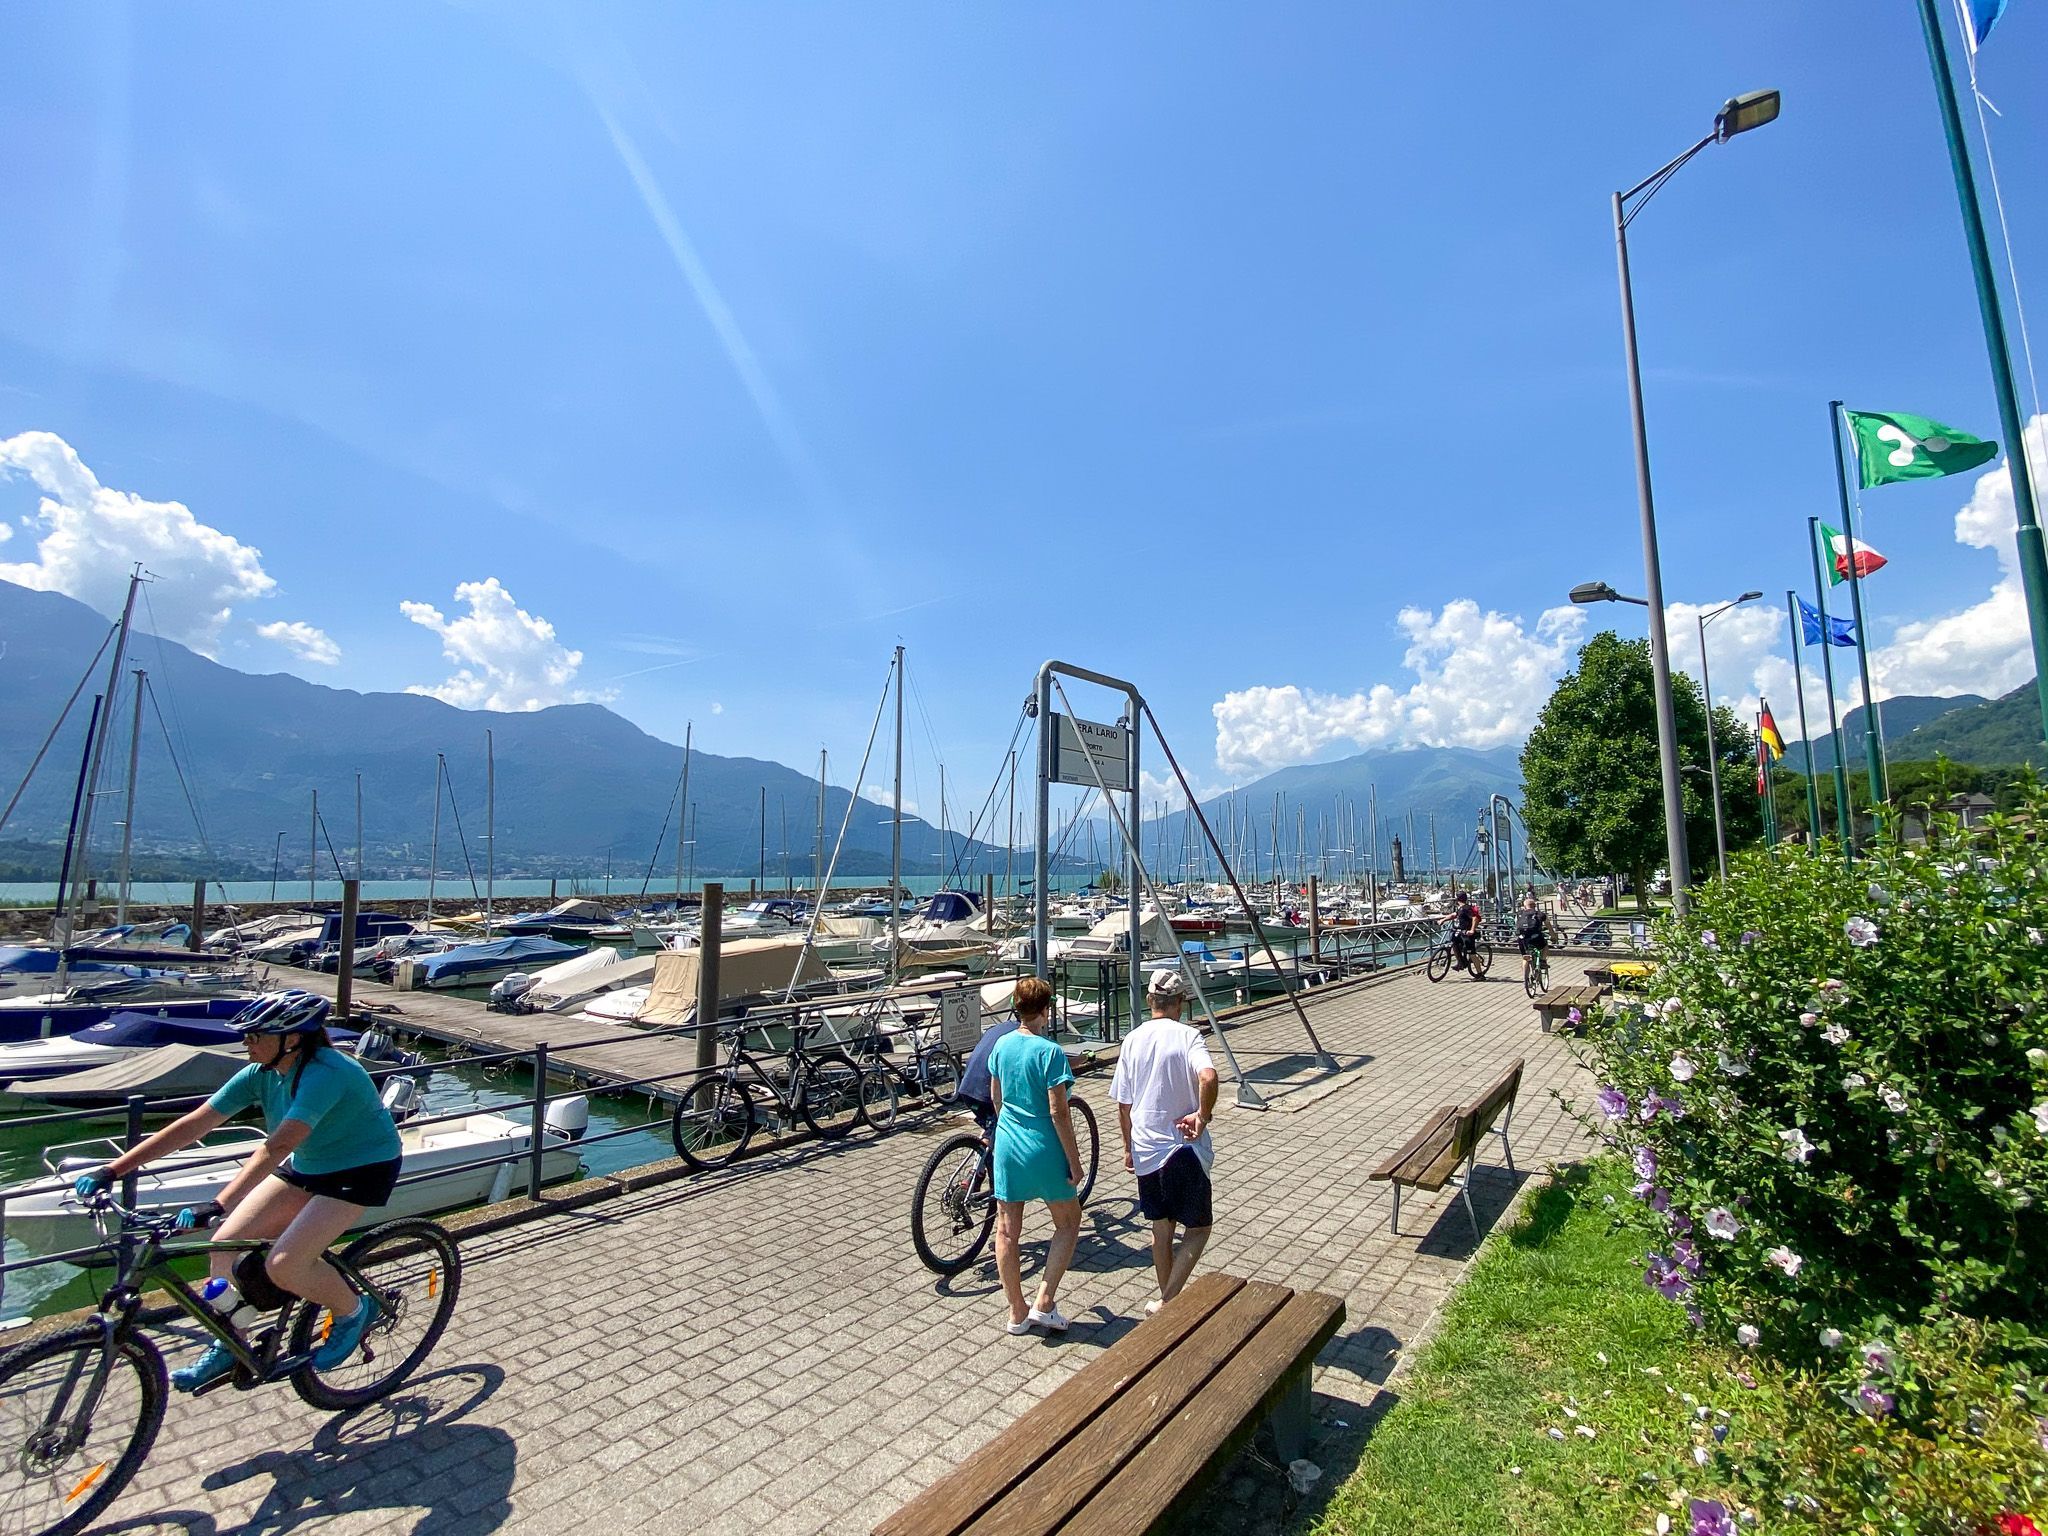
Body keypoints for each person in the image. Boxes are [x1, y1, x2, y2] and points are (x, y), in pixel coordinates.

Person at [73, 989, 404, 1391]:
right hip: (310, 1164)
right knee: (223, 1245)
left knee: (284, 1265)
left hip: (362, 1168)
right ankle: (231, 1340)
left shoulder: (327, 1072)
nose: (246, 1043)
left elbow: (277, 1147)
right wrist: (114, 1169)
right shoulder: (261, 1072)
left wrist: (219, 1203)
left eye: (254, 1036)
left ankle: (354, 1311)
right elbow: (195, 1124)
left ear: (292, 1039)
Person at [1111, 969, 1218, 1315]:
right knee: (1199, 1227)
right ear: (1180, 1002)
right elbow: (1208, 1077)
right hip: (1181, 1146)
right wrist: (1202, 1116)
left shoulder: (1132, 1039)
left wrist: (1127, 1147)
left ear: (1149, 1000)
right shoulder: (1189, 1037)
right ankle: (1169, 1301)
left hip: (1145, 1145)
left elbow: (1123, 1104)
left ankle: (1166, 1306)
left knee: (1161, 1229)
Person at [987, 975, 1085, 1335]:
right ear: (1045, 1010)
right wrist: (1074, 1161)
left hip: (1008, 1145)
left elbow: (996, 1098)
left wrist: (1007, 1127)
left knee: (1007, 1231)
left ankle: (1016, 1311)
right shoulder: (1051, 1053)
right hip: (1043, 1145)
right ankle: (1044, 1302)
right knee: (1069, 1222)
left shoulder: (1001, 1045)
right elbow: (1059, 1112)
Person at [1516, 894, 1552, 985]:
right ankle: (1542, 961)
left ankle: (1526, 979)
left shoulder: (1519, 914)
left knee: (1525, 957)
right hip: (1536, 937)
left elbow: (1516, 926)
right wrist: (1553, 936)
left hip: (1522, 939)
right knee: (1545, 945)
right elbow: (1548, 925)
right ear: (1535, 906)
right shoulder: (1540, 914)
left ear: (1524, 906)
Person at [1451, 890, 1481, 969]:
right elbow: (1454, 915)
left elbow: (1475, 918)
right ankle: (1461, 963)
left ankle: (1480, 974)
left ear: (1457, 899)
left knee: (1472, 955)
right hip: (1462, 932)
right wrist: (1443, 919)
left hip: (1468, 933)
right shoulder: (1461, 908)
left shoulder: (1466, 908)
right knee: (1455, 943)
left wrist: (1472, 930)